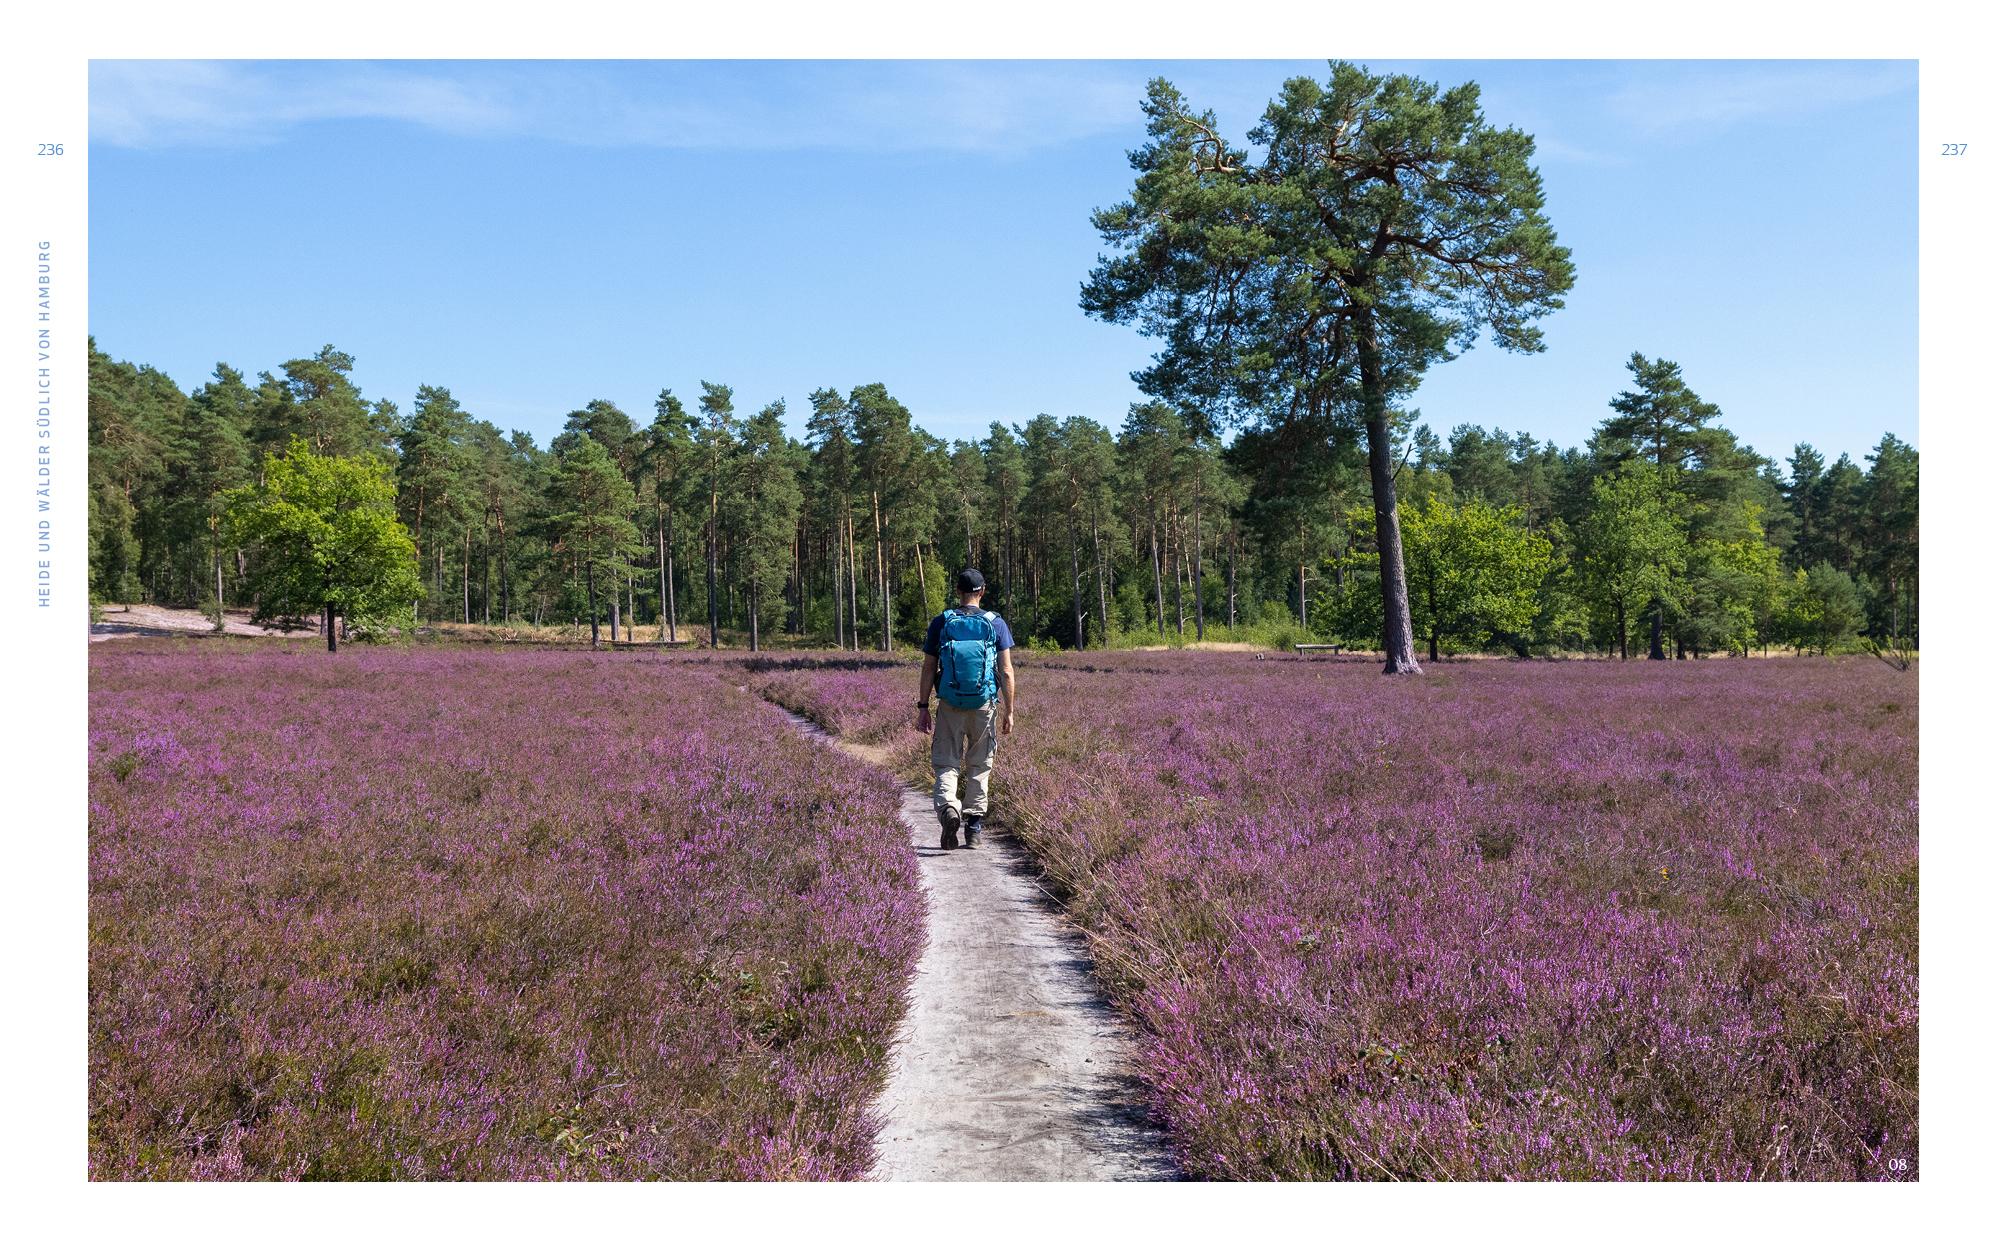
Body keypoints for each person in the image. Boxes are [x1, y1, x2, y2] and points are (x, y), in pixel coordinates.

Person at [913, 567, 1015, 849]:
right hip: (984, 705)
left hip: (949, 704)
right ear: (982, 592)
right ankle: (974, 829)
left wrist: (923, 707)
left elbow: (929, 667)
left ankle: (948, 808)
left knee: (946, 762)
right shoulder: (996, 623)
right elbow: (1005, 671)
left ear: (957, 592)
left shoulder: (942, 622)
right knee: (979, 765)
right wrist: (1009, 710)